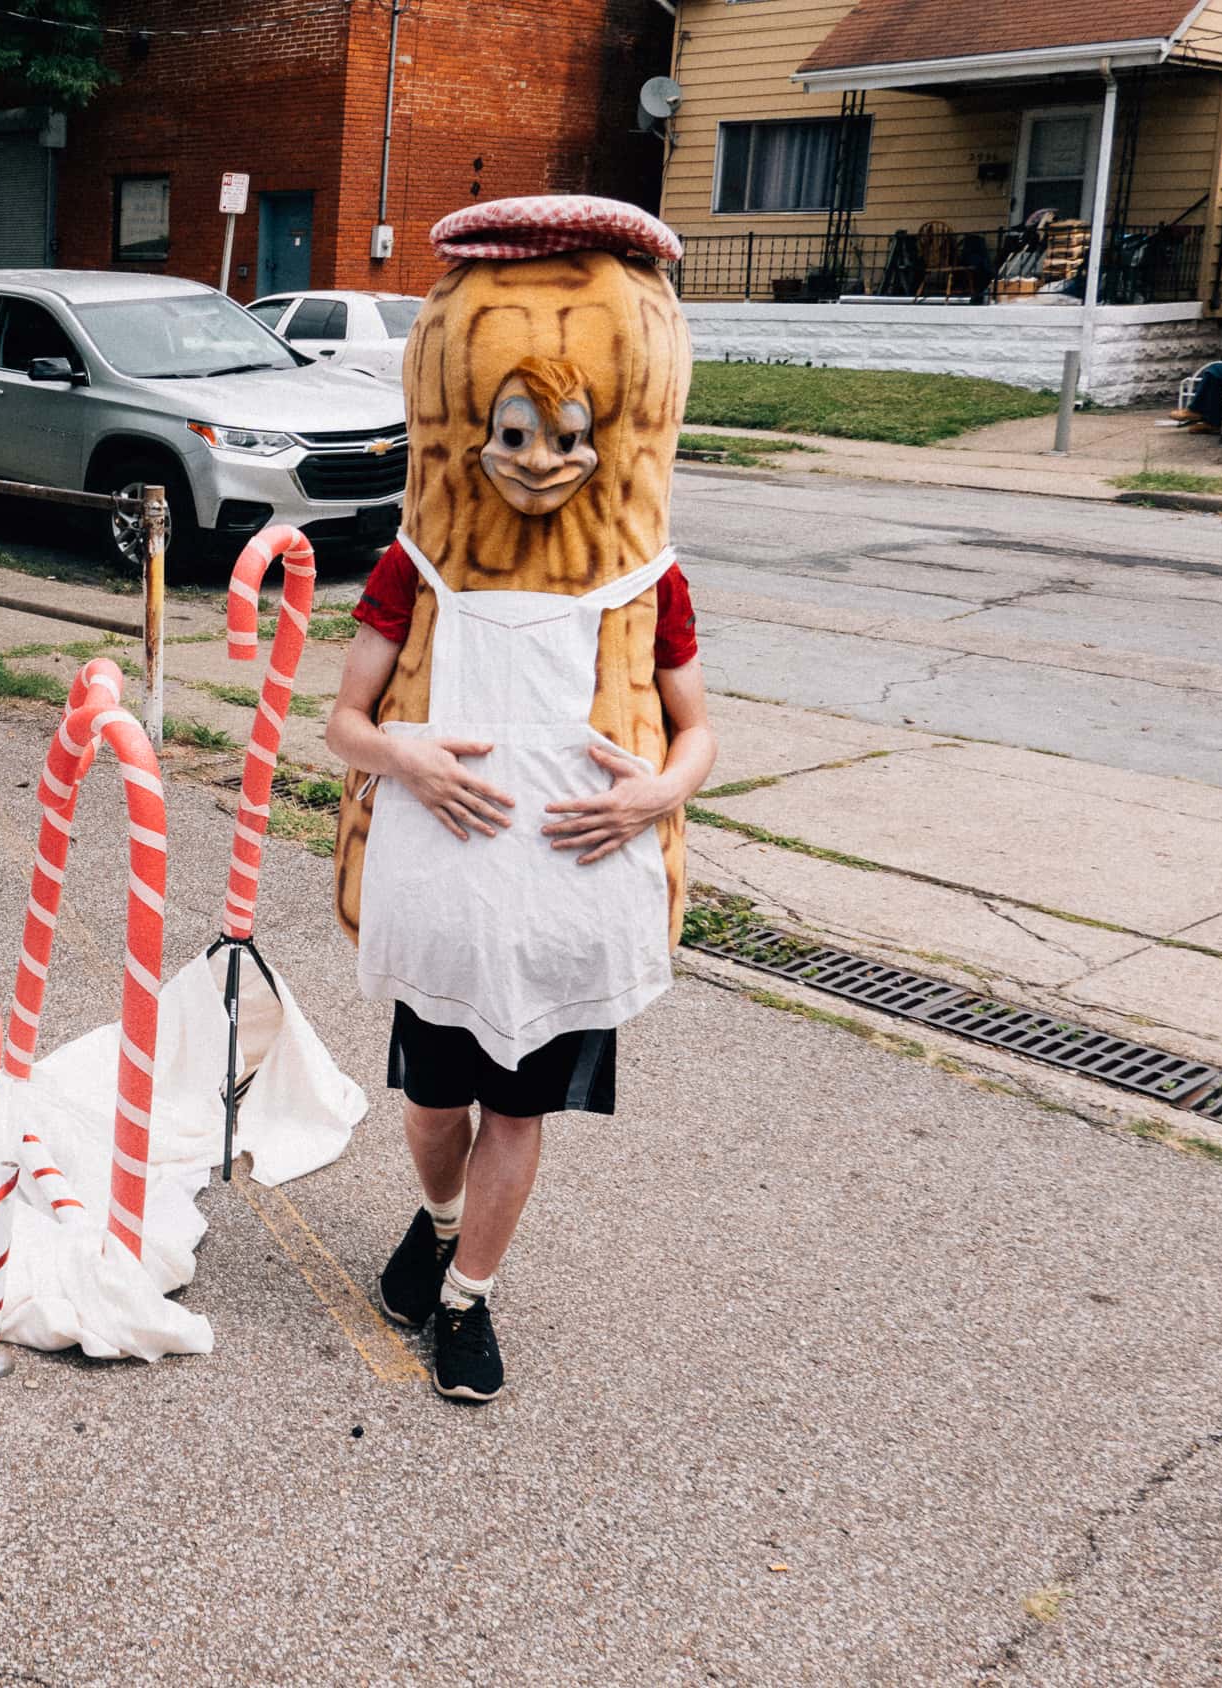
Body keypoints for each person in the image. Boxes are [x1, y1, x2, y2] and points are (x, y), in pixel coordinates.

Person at [324, 198, 718, 1405]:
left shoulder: (653, 582)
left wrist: (655, 790)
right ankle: (434, 1218)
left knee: (517, 1106)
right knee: (436, 1100)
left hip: (567, 895)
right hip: (446, 890)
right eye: (514, 428)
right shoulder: (414, 566)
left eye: (567, 430)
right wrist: (411, 758)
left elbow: (700, 733)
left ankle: (466, 1295)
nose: (541, 456)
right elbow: (339, 720)